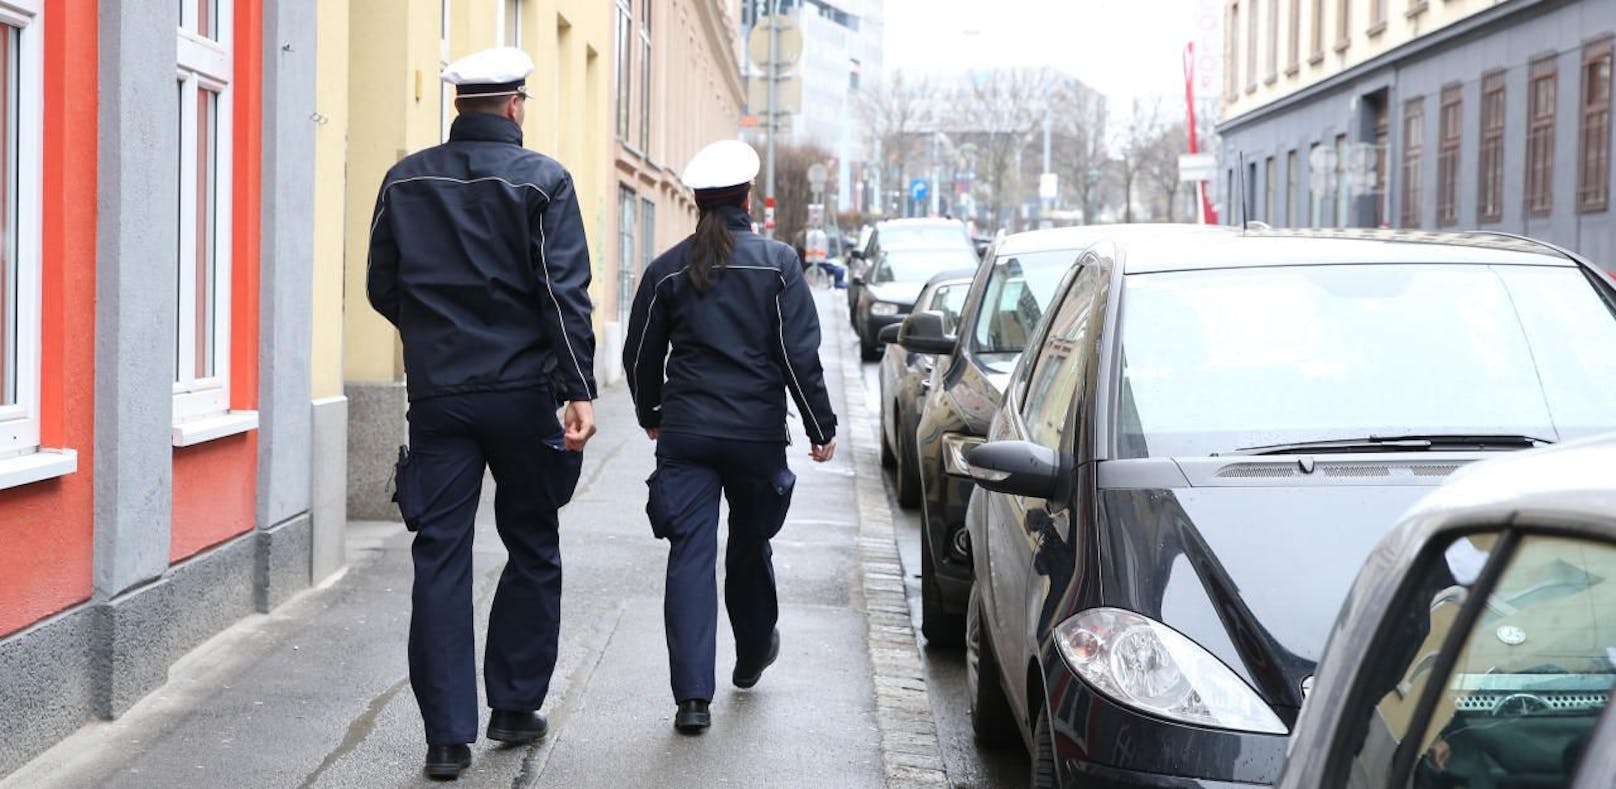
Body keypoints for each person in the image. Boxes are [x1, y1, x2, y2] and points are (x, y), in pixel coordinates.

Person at [366, 46, 597, 781]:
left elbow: (382, 286)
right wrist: (579, 387)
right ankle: (514, 703)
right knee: (531, 539)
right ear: (515, 105)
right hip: (522, 390)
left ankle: (445, 736)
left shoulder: (404, 179)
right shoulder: (545, 181)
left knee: (439, 553)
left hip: (438, 396)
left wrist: (432, 337)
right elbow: (563, 294)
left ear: (459, 104)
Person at [624, 139, 838, 733]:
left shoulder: (666, 269)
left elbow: (640, 352)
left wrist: (651, 411)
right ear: (748, 198)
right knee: (749, 543)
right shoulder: (778, 263)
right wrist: (821, 427)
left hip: (687, 433)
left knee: (689, 555)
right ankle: (750, 654)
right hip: (754, 436)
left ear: (696, 201)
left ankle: (693, 699)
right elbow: (799, 356)